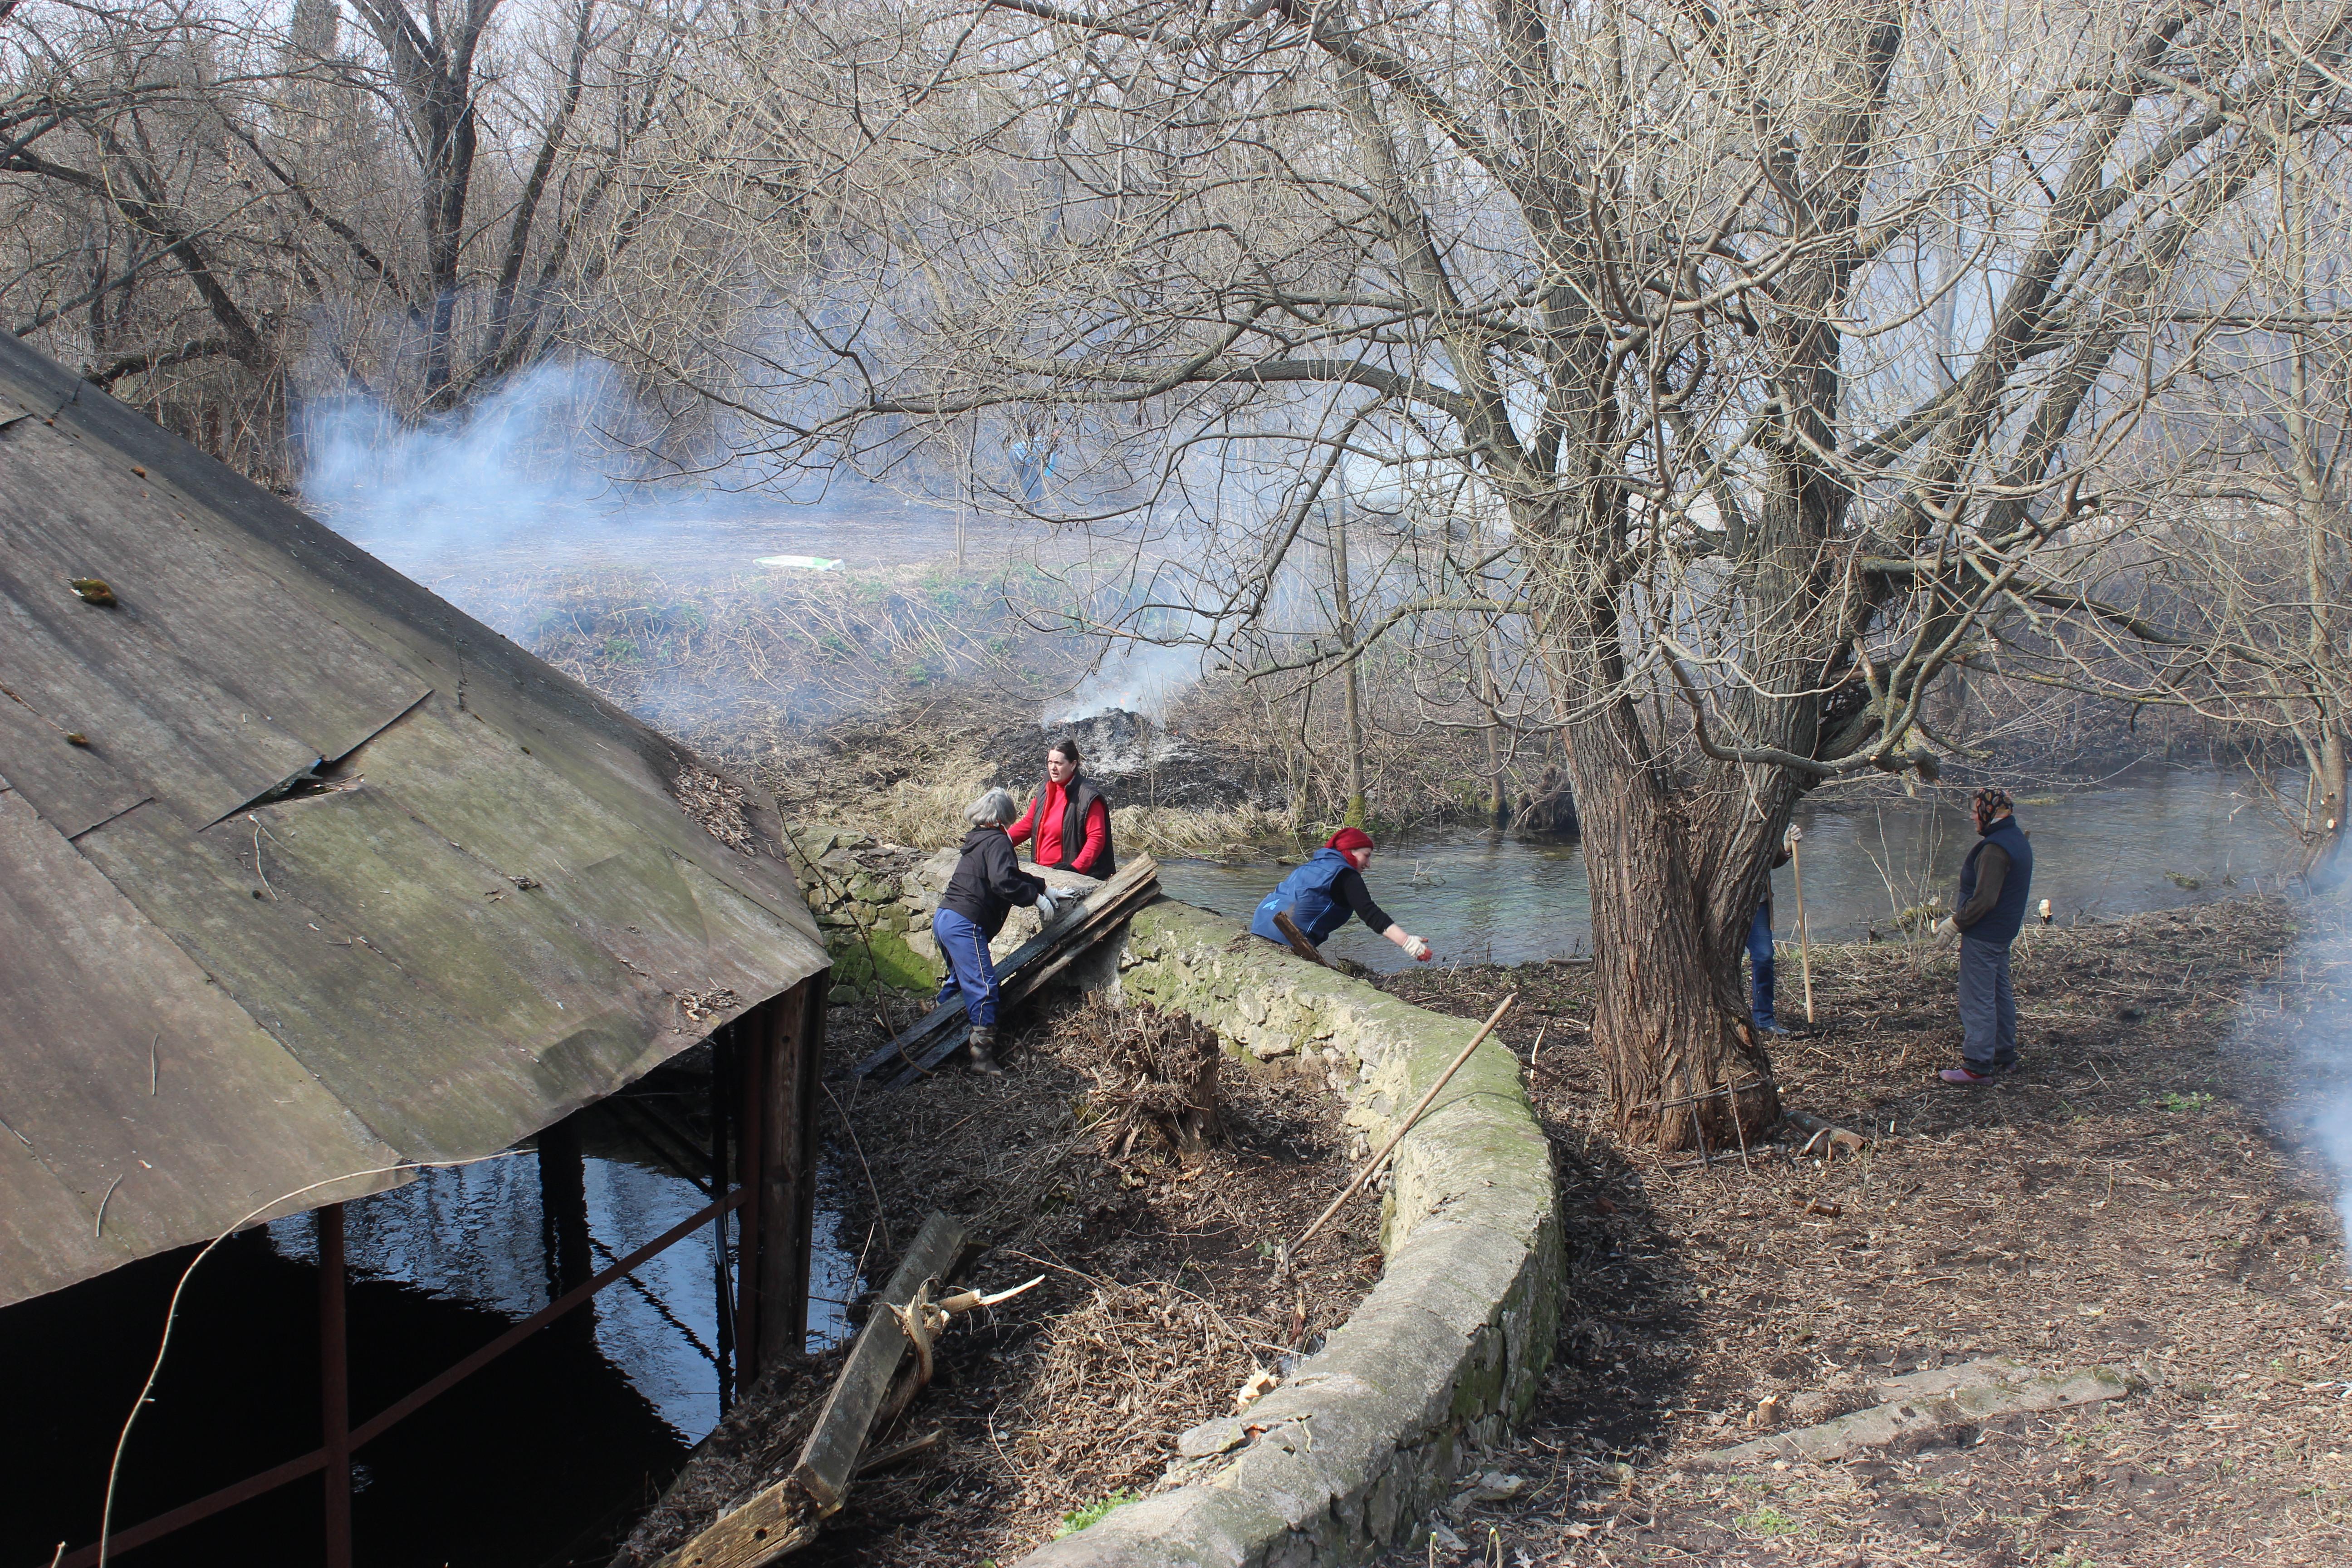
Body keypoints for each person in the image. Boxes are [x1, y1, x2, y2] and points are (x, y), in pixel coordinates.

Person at [935, 789, 1054, 1075]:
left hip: (945, 917)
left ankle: (934, 1029)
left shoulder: (978, 839)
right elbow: (1004, 882)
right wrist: (1034, 899)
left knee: (959, 980)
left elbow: (1008, 875)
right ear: (1004, 816)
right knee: (984, 988)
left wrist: (1043, 887)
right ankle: (982, 1058)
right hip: (966, 922)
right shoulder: (999, 840)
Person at [1934, 787, 2035, 1084]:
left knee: (1977, 998)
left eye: (1976, 810)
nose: (1971, 816)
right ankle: (2004, 1055)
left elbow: (1985, 900)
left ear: (1990, 813)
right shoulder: (2015, 839)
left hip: (1985, 934)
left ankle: (1977, 1065)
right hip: (2002, 932)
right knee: (1998, 992)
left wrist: (1955, 924)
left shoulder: (1995, 849)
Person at [1250, 827, 1434, 963]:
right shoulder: (1346, 876)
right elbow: (1371, 914)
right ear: (1350, 851)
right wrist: (1407, 942)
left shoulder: (1311, 866)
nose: (1368, 864)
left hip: (1259, 926)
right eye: (1366, 856)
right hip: (1284, 935)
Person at [1008, 734, 1115, 878]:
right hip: (1042, 873)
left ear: (1073, 764)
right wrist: (999, 841)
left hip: (1075, 877)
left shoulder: (1088, 797)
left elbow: (1096, 839)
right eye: (1050, 762)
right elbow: (1029, 824)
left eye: (1059, 763)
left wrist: (1075, 869)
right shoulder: (1045, 790)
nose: (1053, 768)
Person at [1748, 826, 1798, 1034]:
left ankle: (1763, 1018)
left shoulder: (1762, 815)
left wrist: (1786, 848)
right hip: (1719, 902)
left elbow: (1771, 860)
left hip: (1758, 902)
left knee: (1764, 957)